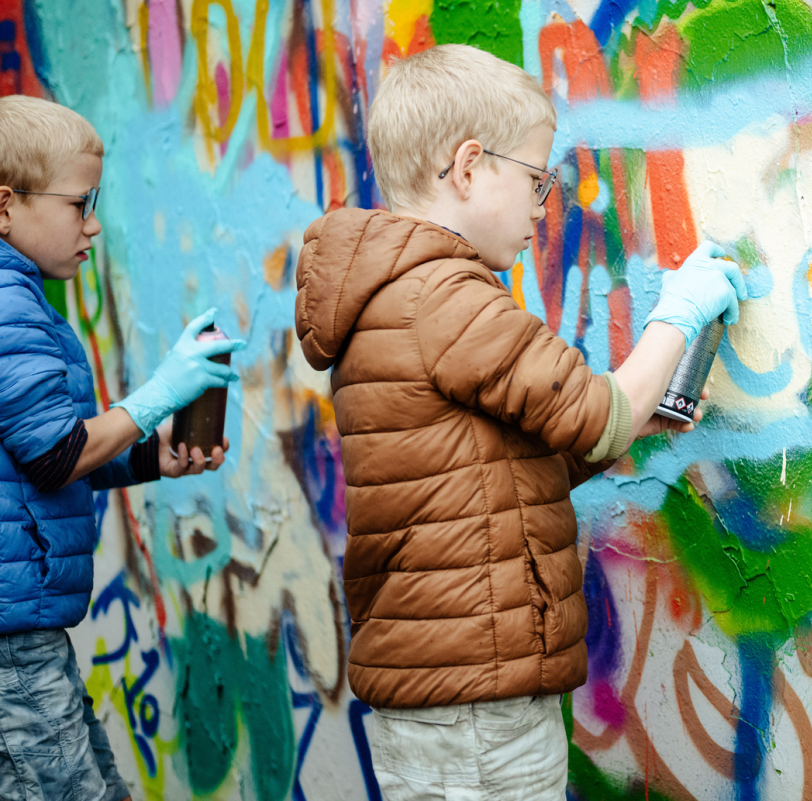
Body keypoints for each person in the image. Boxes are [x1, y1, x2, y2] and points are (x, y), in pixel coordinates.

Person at [294, 43, 746, 800]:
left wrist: (639, 424)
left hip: (449, 692)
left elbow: (495, 470)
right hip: (476, 703)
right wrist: (679, 312)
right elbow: (599, 415)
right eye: (537, 181)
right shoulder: (447, 296)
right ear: (469, 167)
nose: (543, 207)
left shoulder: (399, 296)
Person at [0, 95, 244, 801]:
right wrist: (157, 397)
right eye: (81, 203)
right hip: (14, 642)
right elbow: (53, 455)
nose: (94, 222)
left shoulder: (22, 296)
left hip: (25, 631)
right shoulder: (8, 302)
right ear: (6, 205)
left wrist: (148, 452)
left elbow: (35, 458)